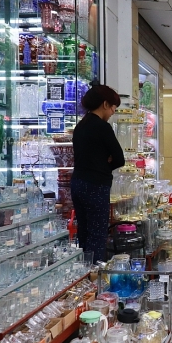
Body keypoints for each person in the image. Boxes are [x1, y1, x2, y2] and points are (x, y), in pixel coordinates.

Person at [71, 84, 125, 263]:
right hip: (96, 185)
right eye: (112, 108)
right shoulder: (103, 127)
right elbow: (119, 158)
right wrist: (105, 163)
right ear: (104, 104)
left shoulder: (80, 126)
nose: (112, 112)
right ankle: (95, 279)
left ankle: (83, 276)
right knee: (98, 234)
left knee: (84, 232)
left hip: (77, 183)